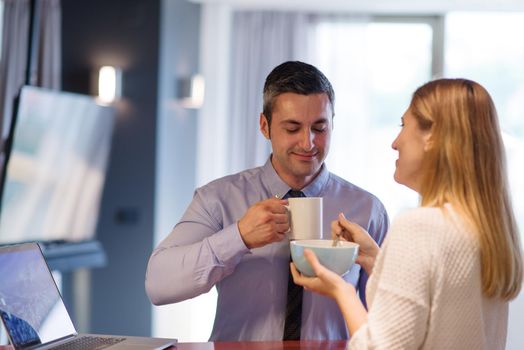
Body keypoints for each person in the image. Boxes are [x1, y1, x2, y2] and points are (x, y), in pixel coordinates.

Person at [145, 61, 389, 341]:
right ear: (265, 126)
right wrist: (238, 237)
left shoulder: (369, 210)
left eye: (319, 128)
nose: (308, 143)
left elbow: (388, 322)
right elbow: (158, 285)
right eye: (292, 128)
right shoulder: (218, 198)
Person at [291, 78, 523, 349]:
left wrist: (341, 290)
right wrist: (375, 260)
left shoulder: (420, 226)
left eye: (403, 125)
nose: (395, 142)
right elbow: (435, 310)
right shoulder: (486, 229)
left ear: (432, 136)